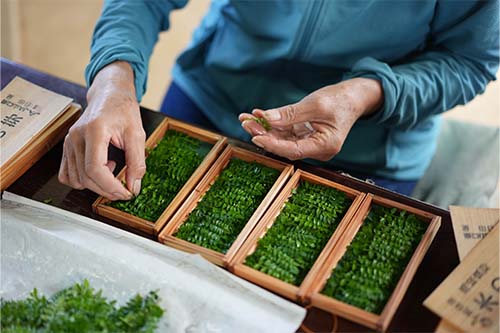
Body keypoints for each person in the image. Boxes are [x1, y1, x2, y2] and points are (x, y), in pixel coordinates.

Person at [58, 0, 499, 200]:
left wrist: (365, 93)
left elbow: (469, 61)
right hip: (212, 95)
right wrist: (113, 79)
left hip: (369, 144)